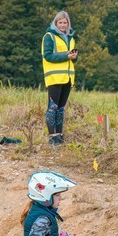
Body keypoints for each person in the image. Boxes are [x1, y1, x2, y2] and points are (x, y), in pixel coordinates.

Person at [41, 11, 77, 146]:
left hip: (67, 78)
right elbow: (48, 56)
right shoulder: (49, 36)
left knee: (61, 108)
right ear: (55, 23)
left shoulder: (71, 38)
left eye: (65, 22)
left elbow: (71, 59)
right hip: (54, 77)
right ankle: (52, 137)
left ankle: (60, 136)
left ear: (68, 24)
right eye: (60, 22)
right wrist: (66, 56)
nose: (63, 25)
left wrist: (74, 57)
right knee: (53, 108)